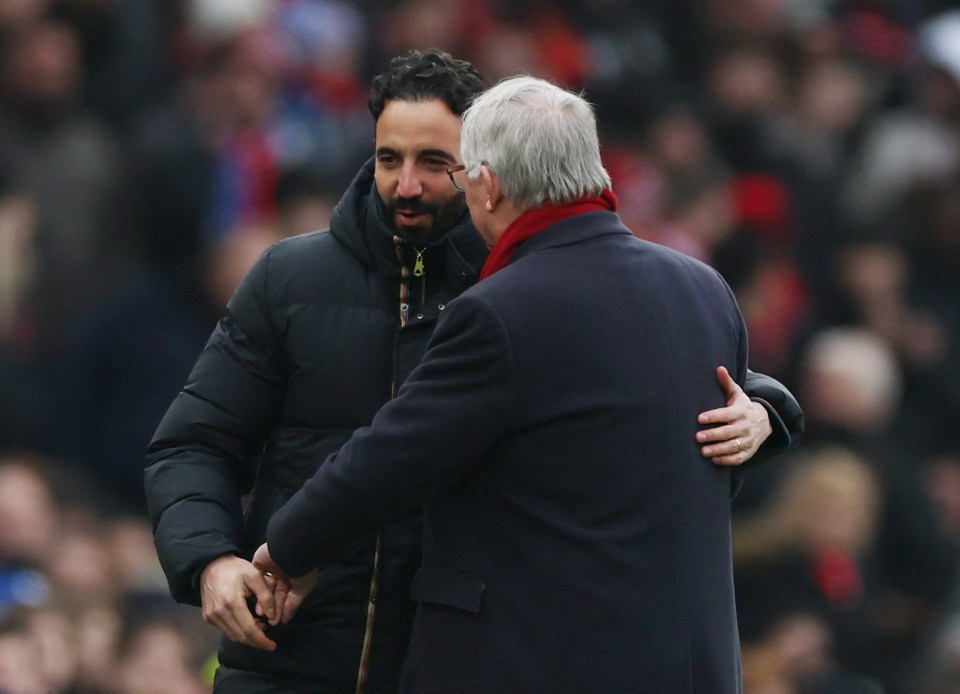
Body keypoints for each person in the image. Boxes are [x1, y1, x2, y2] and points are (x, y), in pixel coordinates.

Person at [145, 51, 802, 693]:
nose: (407, 183)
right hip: (296, 660)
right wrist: (209, 559)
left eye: (435, 162)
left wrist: (764, 413)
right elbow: (195, 441)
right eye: (387, 158)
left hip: (459, 655)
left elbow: (391, 459)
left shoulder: (514, 297)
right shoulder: (288, 280)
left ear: (481, 173)